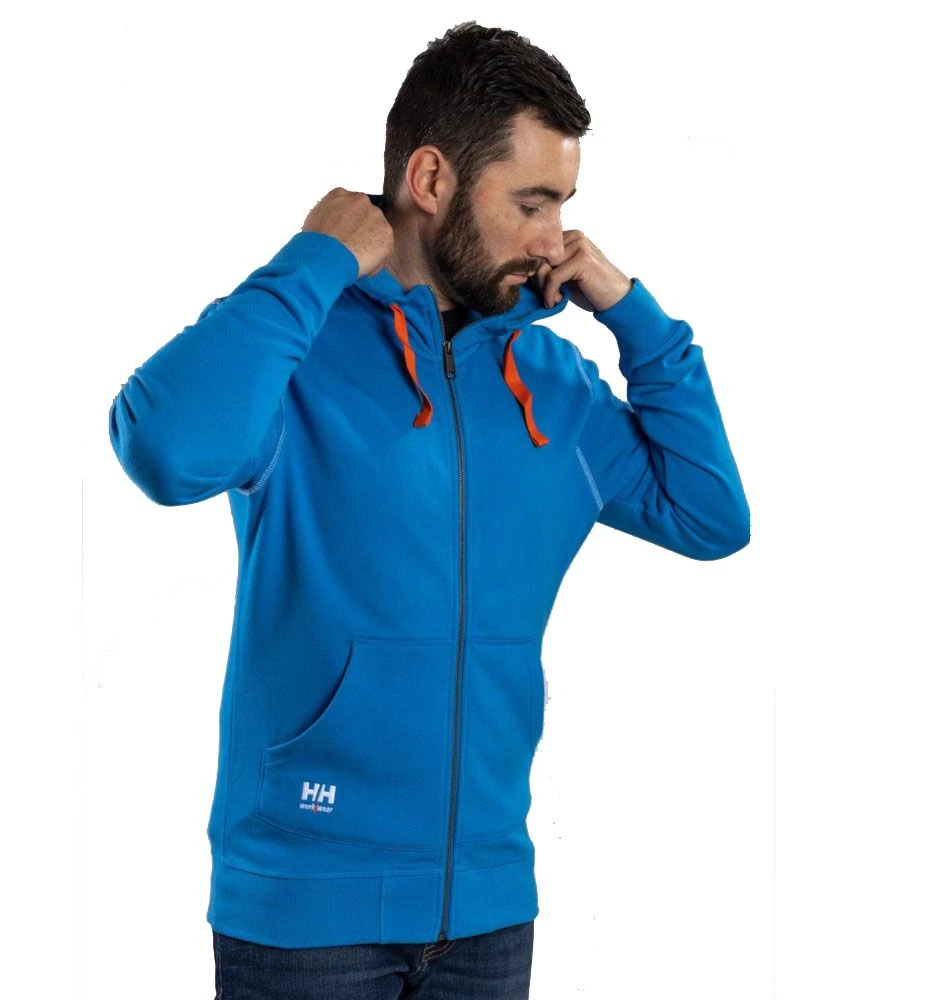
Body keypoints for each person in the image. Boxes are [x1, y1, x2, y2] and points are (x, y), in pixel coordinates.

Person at [108, 20, 750, 1000]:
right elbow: (164, 448)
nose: (556, 241)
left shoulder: (556, 386)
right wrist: (316, 260)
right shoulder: (296, 354)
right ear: (432, 179)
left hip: (487, 913)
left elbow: (709, 515)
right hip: (306, 908)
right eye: (531, 202)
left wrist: (633, 314)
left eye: (564, 204)